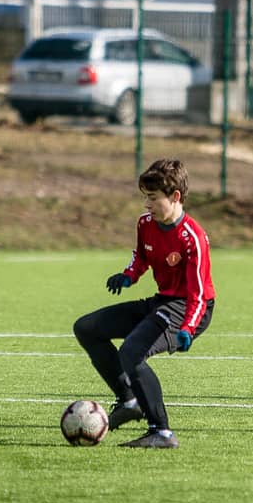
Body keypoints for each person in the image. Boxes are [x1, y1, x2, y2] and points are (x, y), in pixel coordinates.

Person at [73, 158, 215, 449]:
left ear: (175, 196)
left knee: (132, 352)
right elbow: (141, 256)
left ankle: (162, 432)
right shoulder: (146, 223)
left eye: (152, 198)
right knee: (87, 328)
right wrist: (129, 275)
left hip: (188, 310)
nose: (147, 204)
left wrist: (188, 327)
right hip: (161, 302)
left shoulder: (193, 238)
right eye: (145, 197)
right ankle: (129, 401)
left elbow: (199, 294)